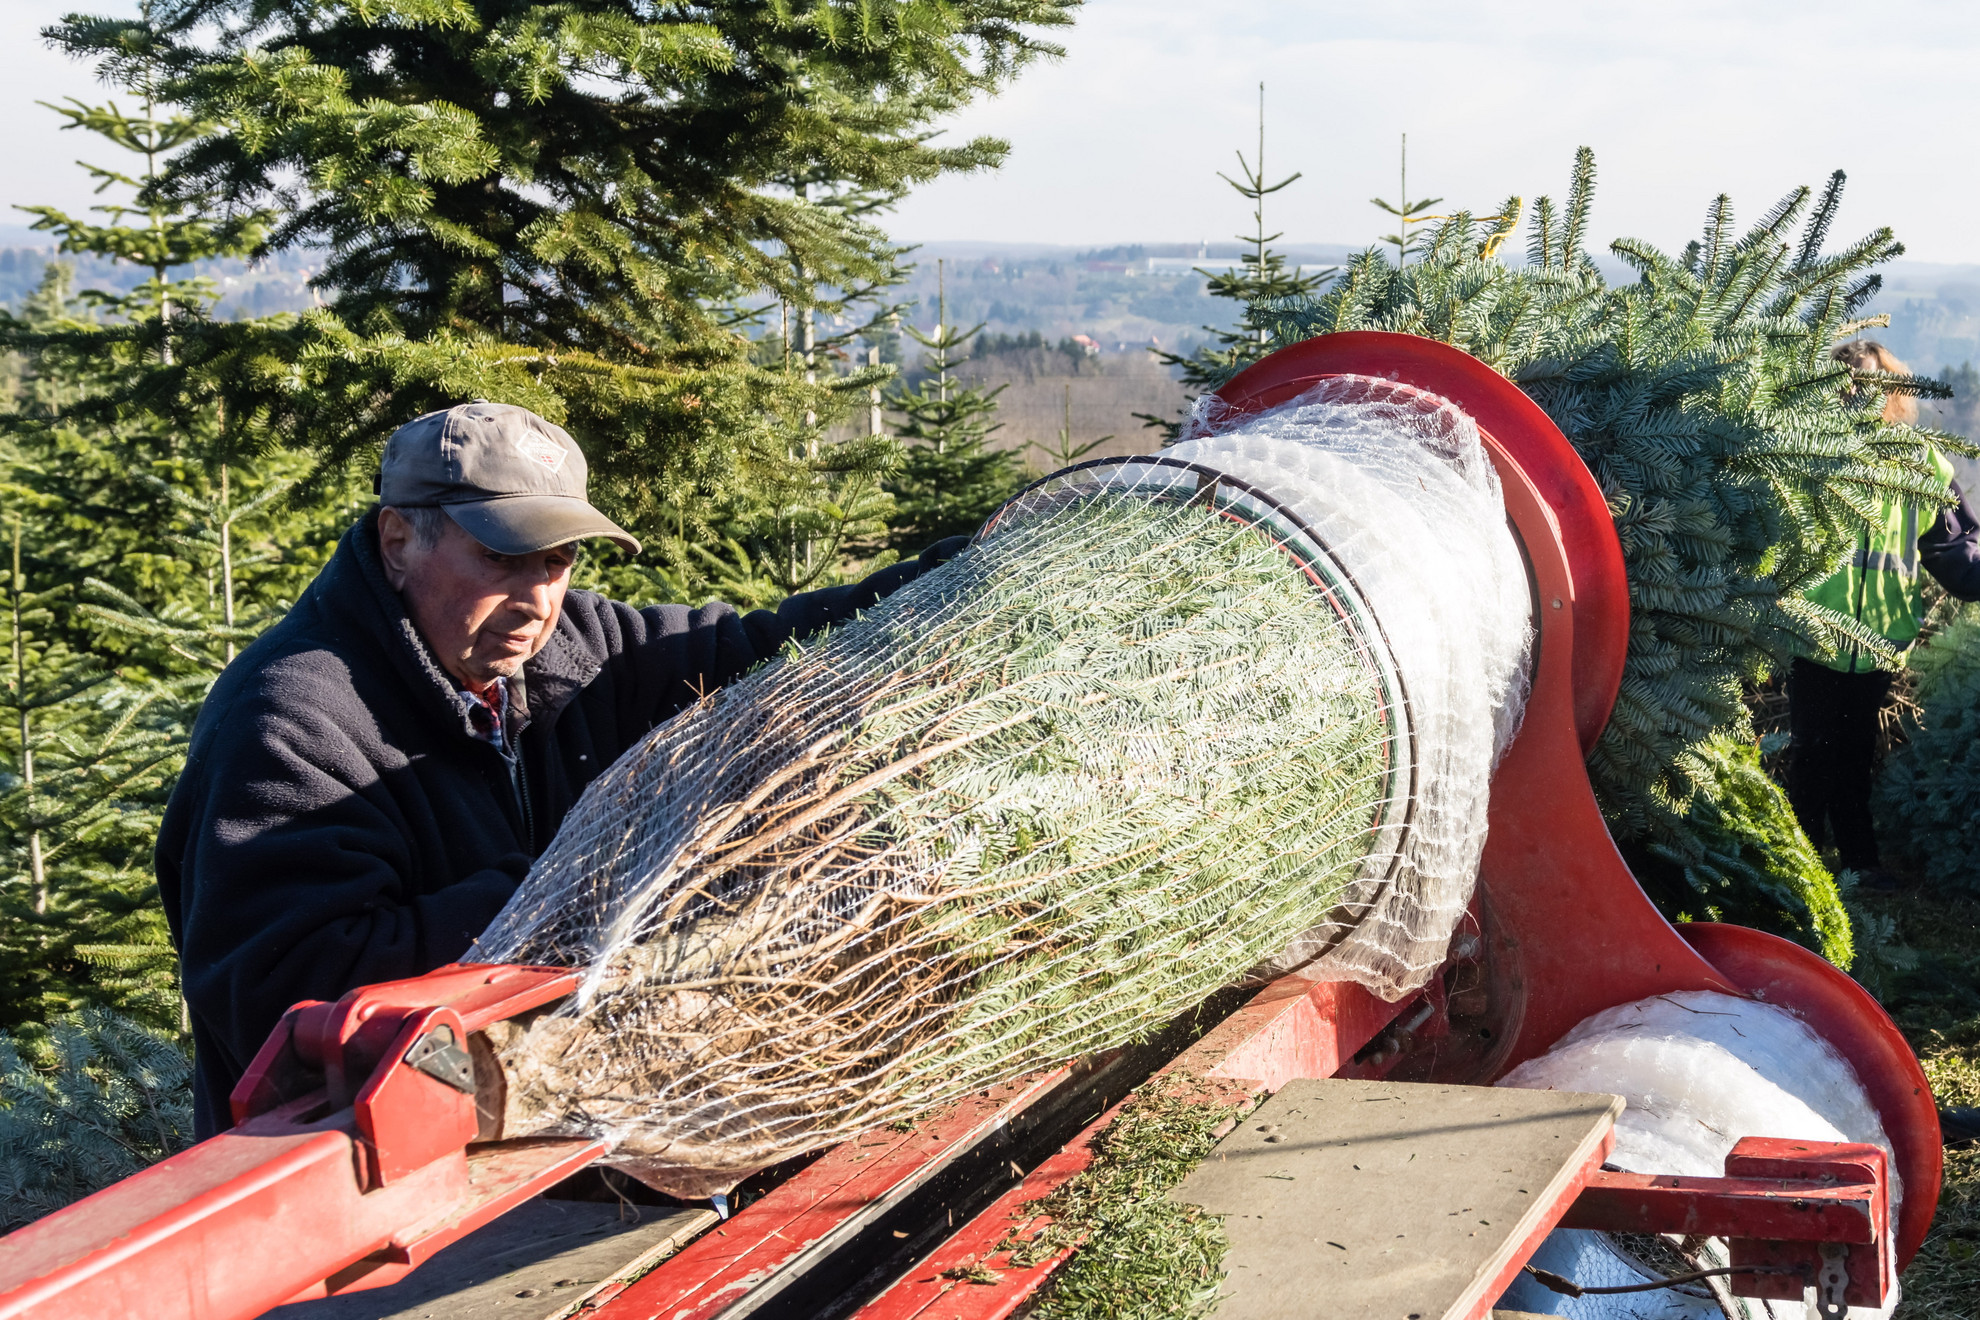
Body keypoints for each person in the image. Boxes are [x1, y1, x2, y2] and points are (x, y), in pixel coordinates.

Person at [158, 402, 967, 1136]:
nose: (538, 597)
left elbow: (758, 651)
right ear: (399, 541)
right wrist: (579, 886)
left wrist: (960, 579)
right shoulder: (291, 722)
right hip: (361, 1187)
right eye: (502, 559)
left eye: (558, 559)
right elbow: (284, 997)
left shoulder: (576, 650)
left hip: (551, 1135)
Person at [1787, 341, 1980, 888]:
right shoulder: (1808, 451)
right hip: (1814, 636)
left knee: (1853, 759)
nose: (1856, 392)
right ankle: (1800, 875)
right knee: (1810, 760)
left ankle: (1859, 866)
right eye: (1846, 382)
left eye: (1868, 383)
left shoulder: (1920, 461)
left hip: (1876, 641)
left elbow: (1955, 550)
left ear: (1889, 390)